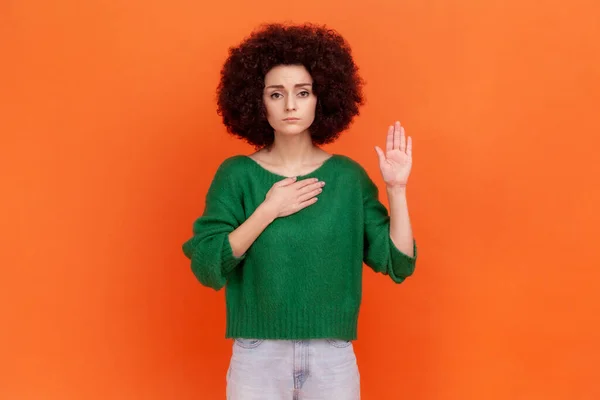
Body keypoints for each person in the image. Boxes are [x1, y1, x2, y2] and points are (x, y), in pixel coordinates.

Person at [182, 22, 418, 400]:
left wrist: (397, 188)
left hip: (332, 356)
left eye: (302, 92)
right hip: (257, 355)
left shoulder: (348, 178)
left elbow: (398, 263)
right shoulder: (237, 175)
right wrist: (267, 210)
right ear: (257, 102)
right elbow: (207, 264)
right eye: (276, 94)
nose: (290, 105)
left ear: (319, 99)